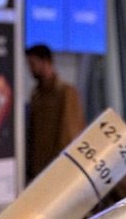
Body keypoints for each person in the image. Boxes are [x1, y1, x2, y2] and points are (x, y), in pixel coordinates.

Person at [25, 44, 86, 183]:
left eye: (33, 64)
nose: (30, 70)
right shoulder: (36, 95)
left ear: (46, 62)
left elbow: (70, 135)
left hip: (59, 174)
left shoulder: (66, 93)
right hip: (39, 174)